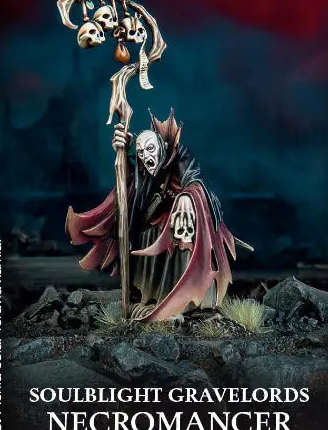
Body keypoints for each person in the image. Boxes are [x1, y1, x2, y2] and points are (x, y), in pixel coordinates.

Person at [66, 110, 247, 320]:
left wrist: (188, 196)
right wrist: (123, 152)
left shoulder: (180, 154)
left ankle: (188, 301)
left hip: (182, 226)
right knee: (149, 237)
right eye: (141, 152)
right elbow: (132, 183)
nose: (146, 156)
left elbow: (194, 178)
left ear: (162, 147)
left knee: (180, 231)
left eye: (150, 149)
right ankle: (152, 298)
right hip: (152, 232)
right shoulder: (144, 169)